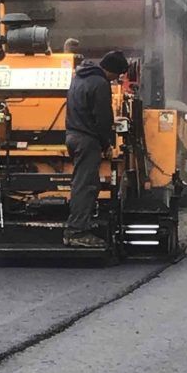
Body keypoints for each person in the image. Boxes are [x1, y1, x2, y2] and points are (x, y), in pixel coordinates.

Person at [63, 49, 129, 248]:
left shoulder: (78, 78)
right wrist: (107, 143)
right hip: (87, 140)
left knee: (82, 183)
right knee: (86, 186)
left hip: (72, 135)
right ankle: (76, 232)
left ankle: (80, 225)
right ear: (111, 71)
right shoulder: (100, 83)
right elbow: (102, 118)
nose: (115, 79)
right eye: (116, 75)